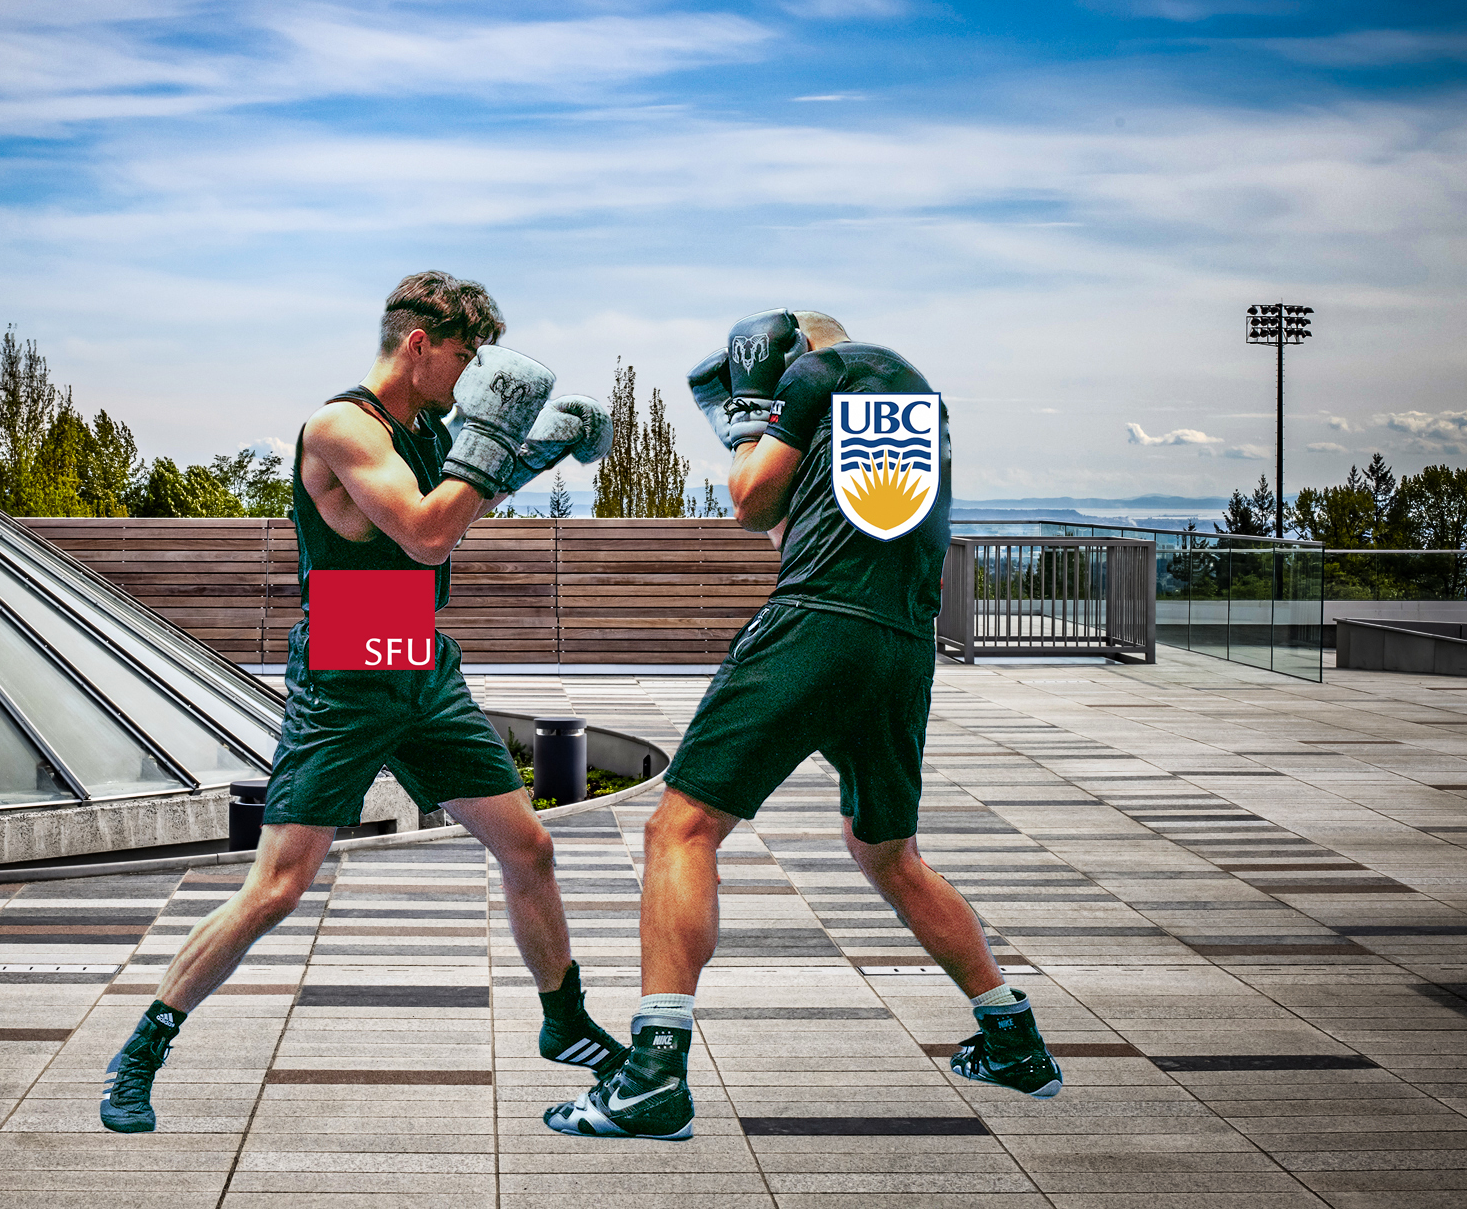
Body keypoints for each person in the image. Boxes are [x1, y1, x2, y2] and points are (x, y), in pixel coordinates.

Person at [102, 271, 625, 1134]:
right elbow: (425, 535)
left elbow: (452, 514)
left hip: (418, 657)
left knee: (529, 848)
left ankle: (563, 1023)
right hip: (345, 667)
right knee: (278, 886)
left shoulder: (423, 429)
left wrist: (529, 453)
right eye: (462, 355)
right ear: (418, 344)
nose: (468, 374)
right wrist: (502, 442)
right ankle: (141, 1052)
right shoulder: (343, 426)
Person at [544, 307, 1063, 1142]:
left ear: (795, 356)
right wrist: (762, 434)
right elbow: (801, 525)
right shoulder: (911, 403)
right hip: (900, 646)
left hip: (816, 629)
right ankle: (1013, 1039)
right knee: (888, 852)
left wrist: (756, 406)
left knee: (680, 829)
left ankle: (650, 1079)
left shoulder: (818, 375)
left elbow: (751, 509)